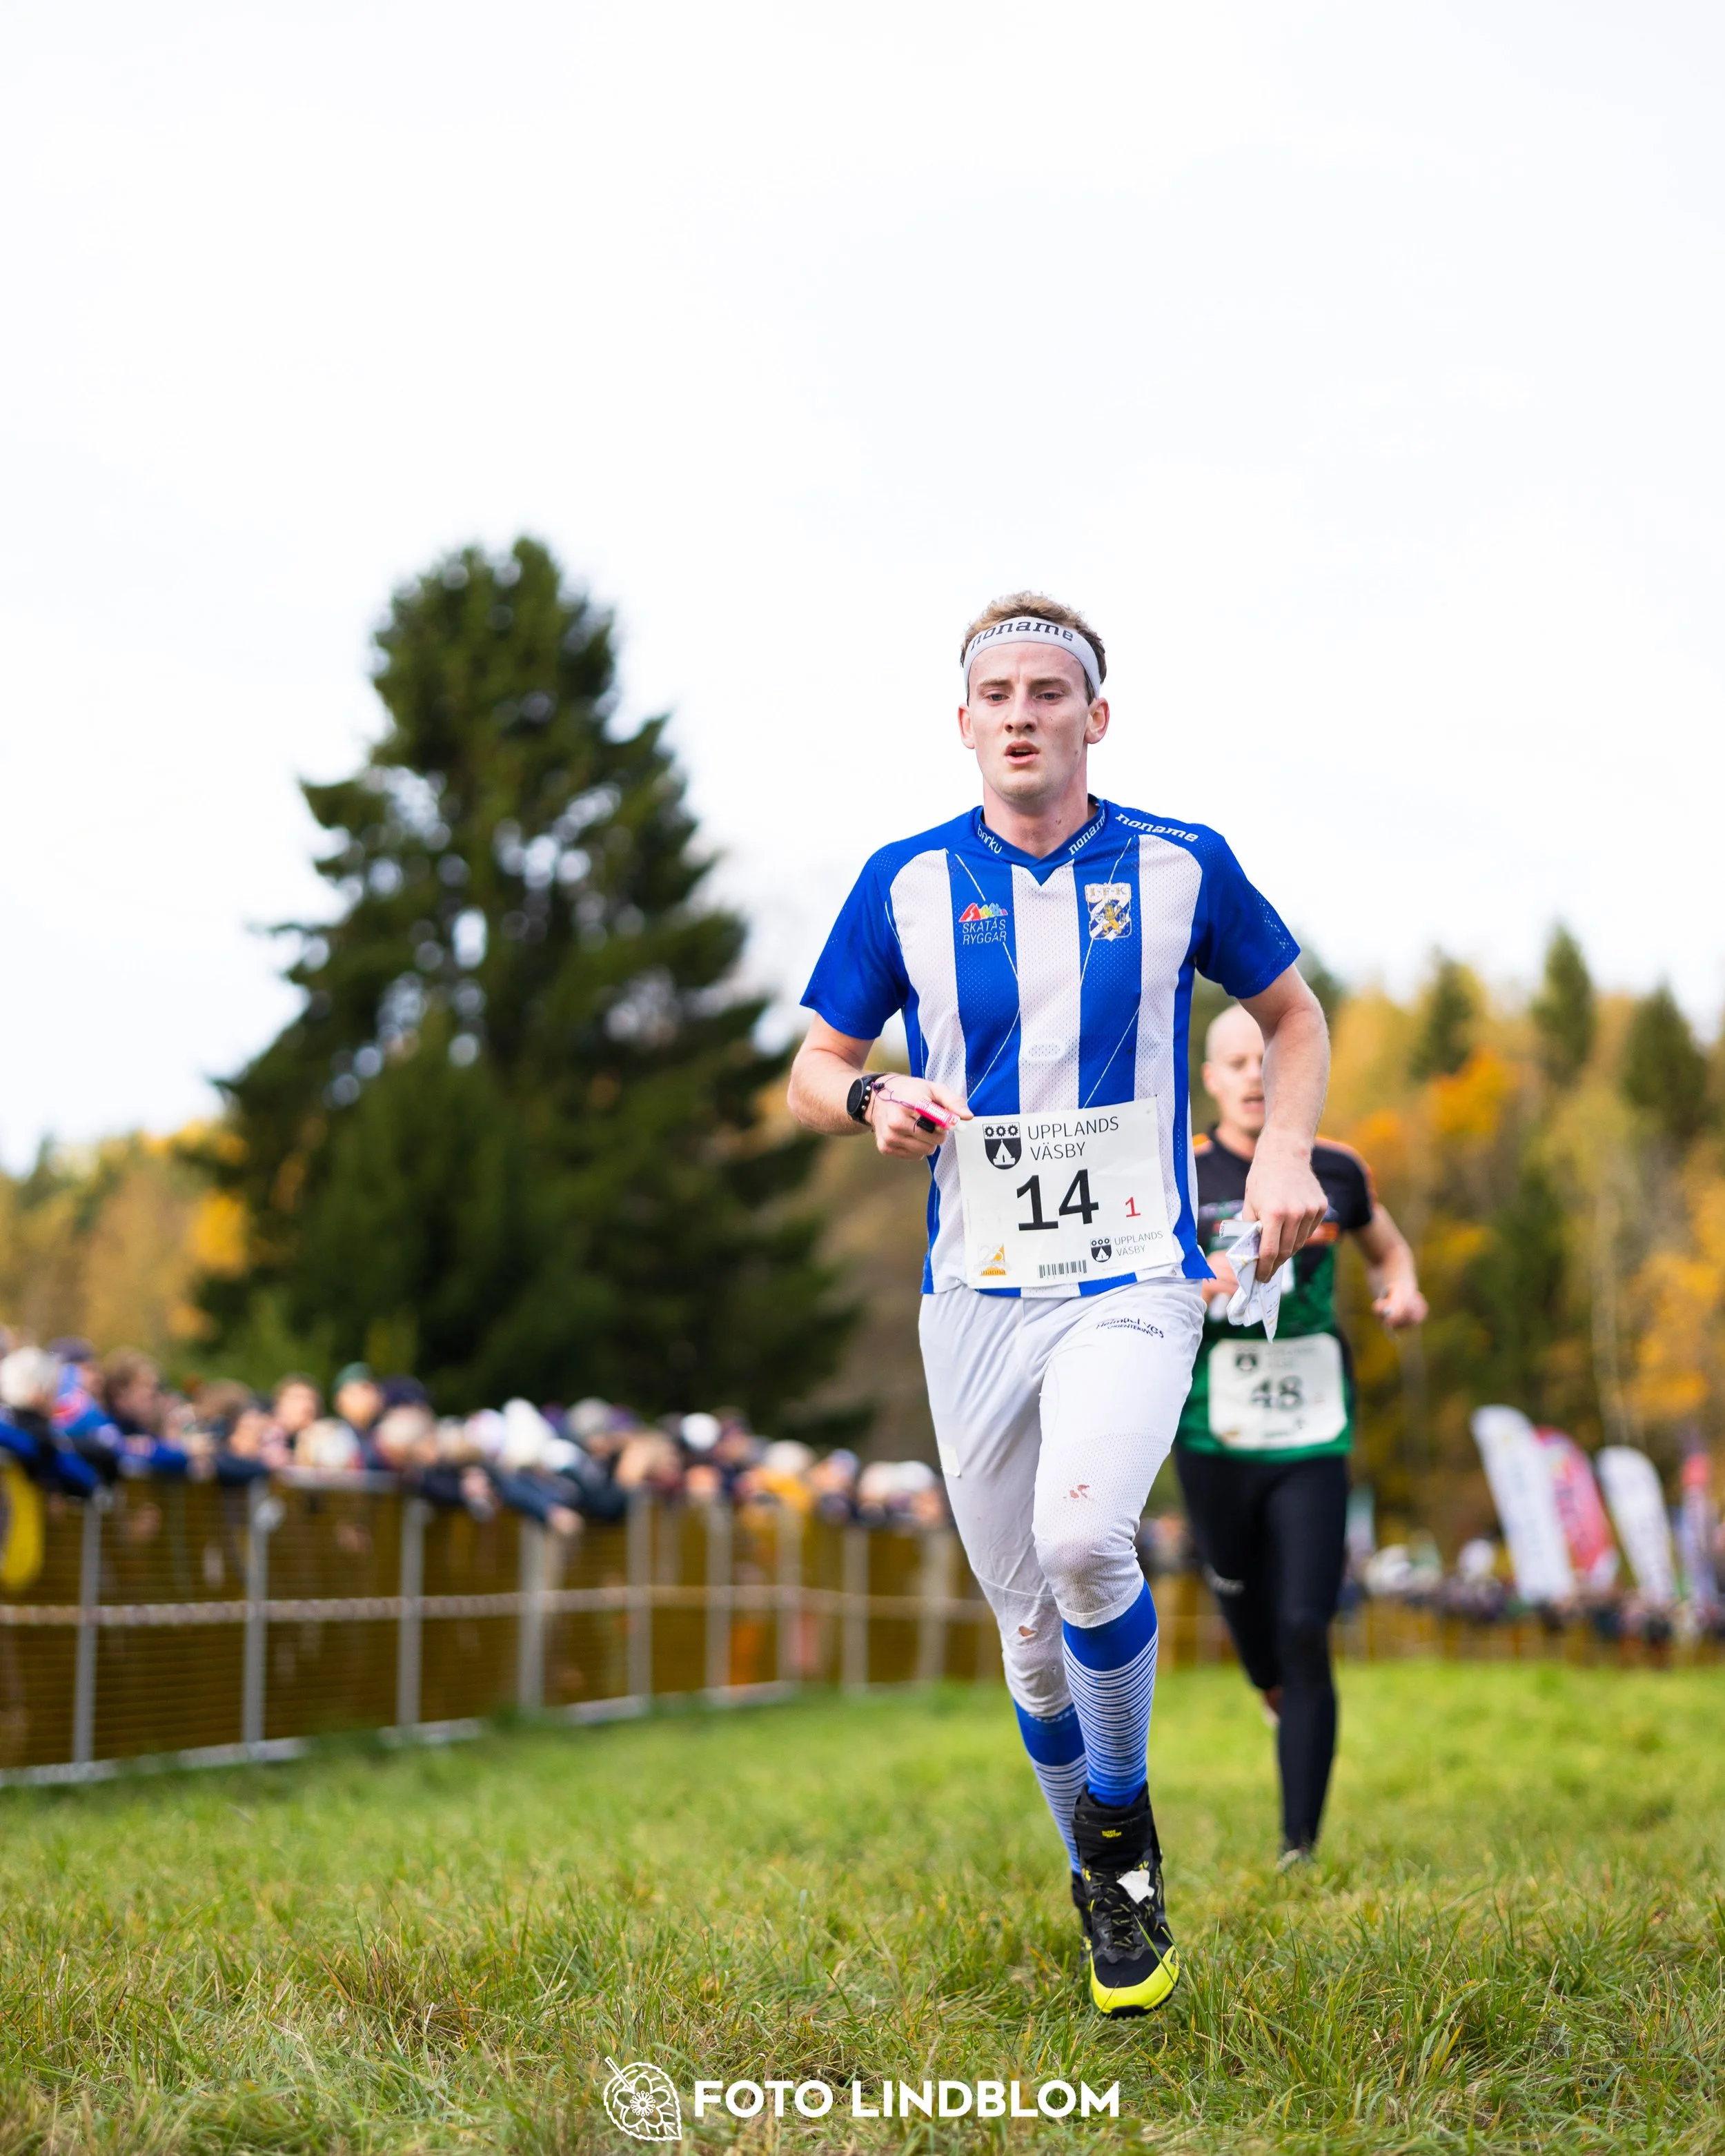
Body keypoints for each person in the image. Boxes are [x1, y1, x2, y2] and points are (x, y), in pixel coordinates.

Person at [788, 593, 1330, 2016]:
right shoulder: (904, 882)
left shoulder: (1179, 862)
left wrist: (1280, 1151)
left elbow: (1292, 1014)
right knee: (1028, 1634)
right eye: (997, 695)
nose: (1021, 714)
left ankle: (1121, 1822)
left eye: (1048, 692)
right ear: (962, 722)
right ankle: (1109, 1893)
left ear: (1096, 716)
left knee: (1084, 1535)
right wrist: (868, 1095)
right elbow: (809, 1067)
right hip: (972, 1290)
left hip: (1135, 1271)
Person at [1174, 1002, 1426, 1863]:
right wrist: (1206, 1280)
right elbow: (1136, 1281)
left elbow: (1389, 1250)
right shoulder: (1178, 1171)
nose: (1255, 1074)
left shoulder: (1337, 1168)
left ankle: (1298, 1846)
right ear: (1211, 1079)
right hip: (1211, 1434)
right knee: (1247, 1614)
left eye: (1268, 1059)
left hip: (1313, 1432)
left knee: (1304, 1625)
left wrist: (1401, 1290)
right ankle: (1268, 1680)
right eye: (1237, 1062)